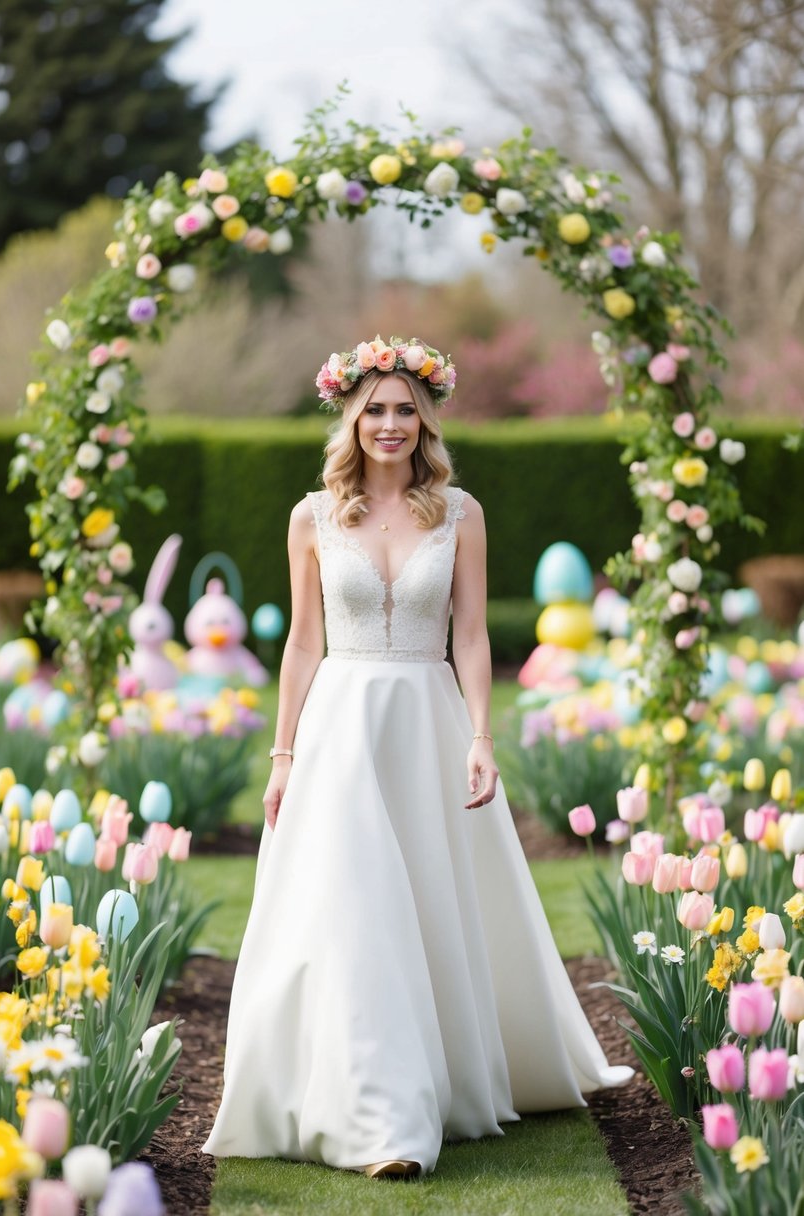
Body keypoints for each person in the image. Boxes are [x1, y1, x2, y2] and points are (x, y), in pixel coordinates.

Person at [202, 335, 631, 1179]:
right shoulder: (312, 516)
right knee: (355, 910)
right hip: (340, 730)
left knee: (434, 901)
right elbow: (300, 643)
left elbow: (469, 634)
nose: (390, 425)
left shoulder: (460, 513)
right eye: (375, 411)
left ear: (425, 419)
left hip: (428, 720)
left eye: (405, 409)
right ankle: (381, 1121)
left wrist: (480, 735)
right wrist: (283, 753)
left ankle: (440, 1080)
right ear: (351, 419)